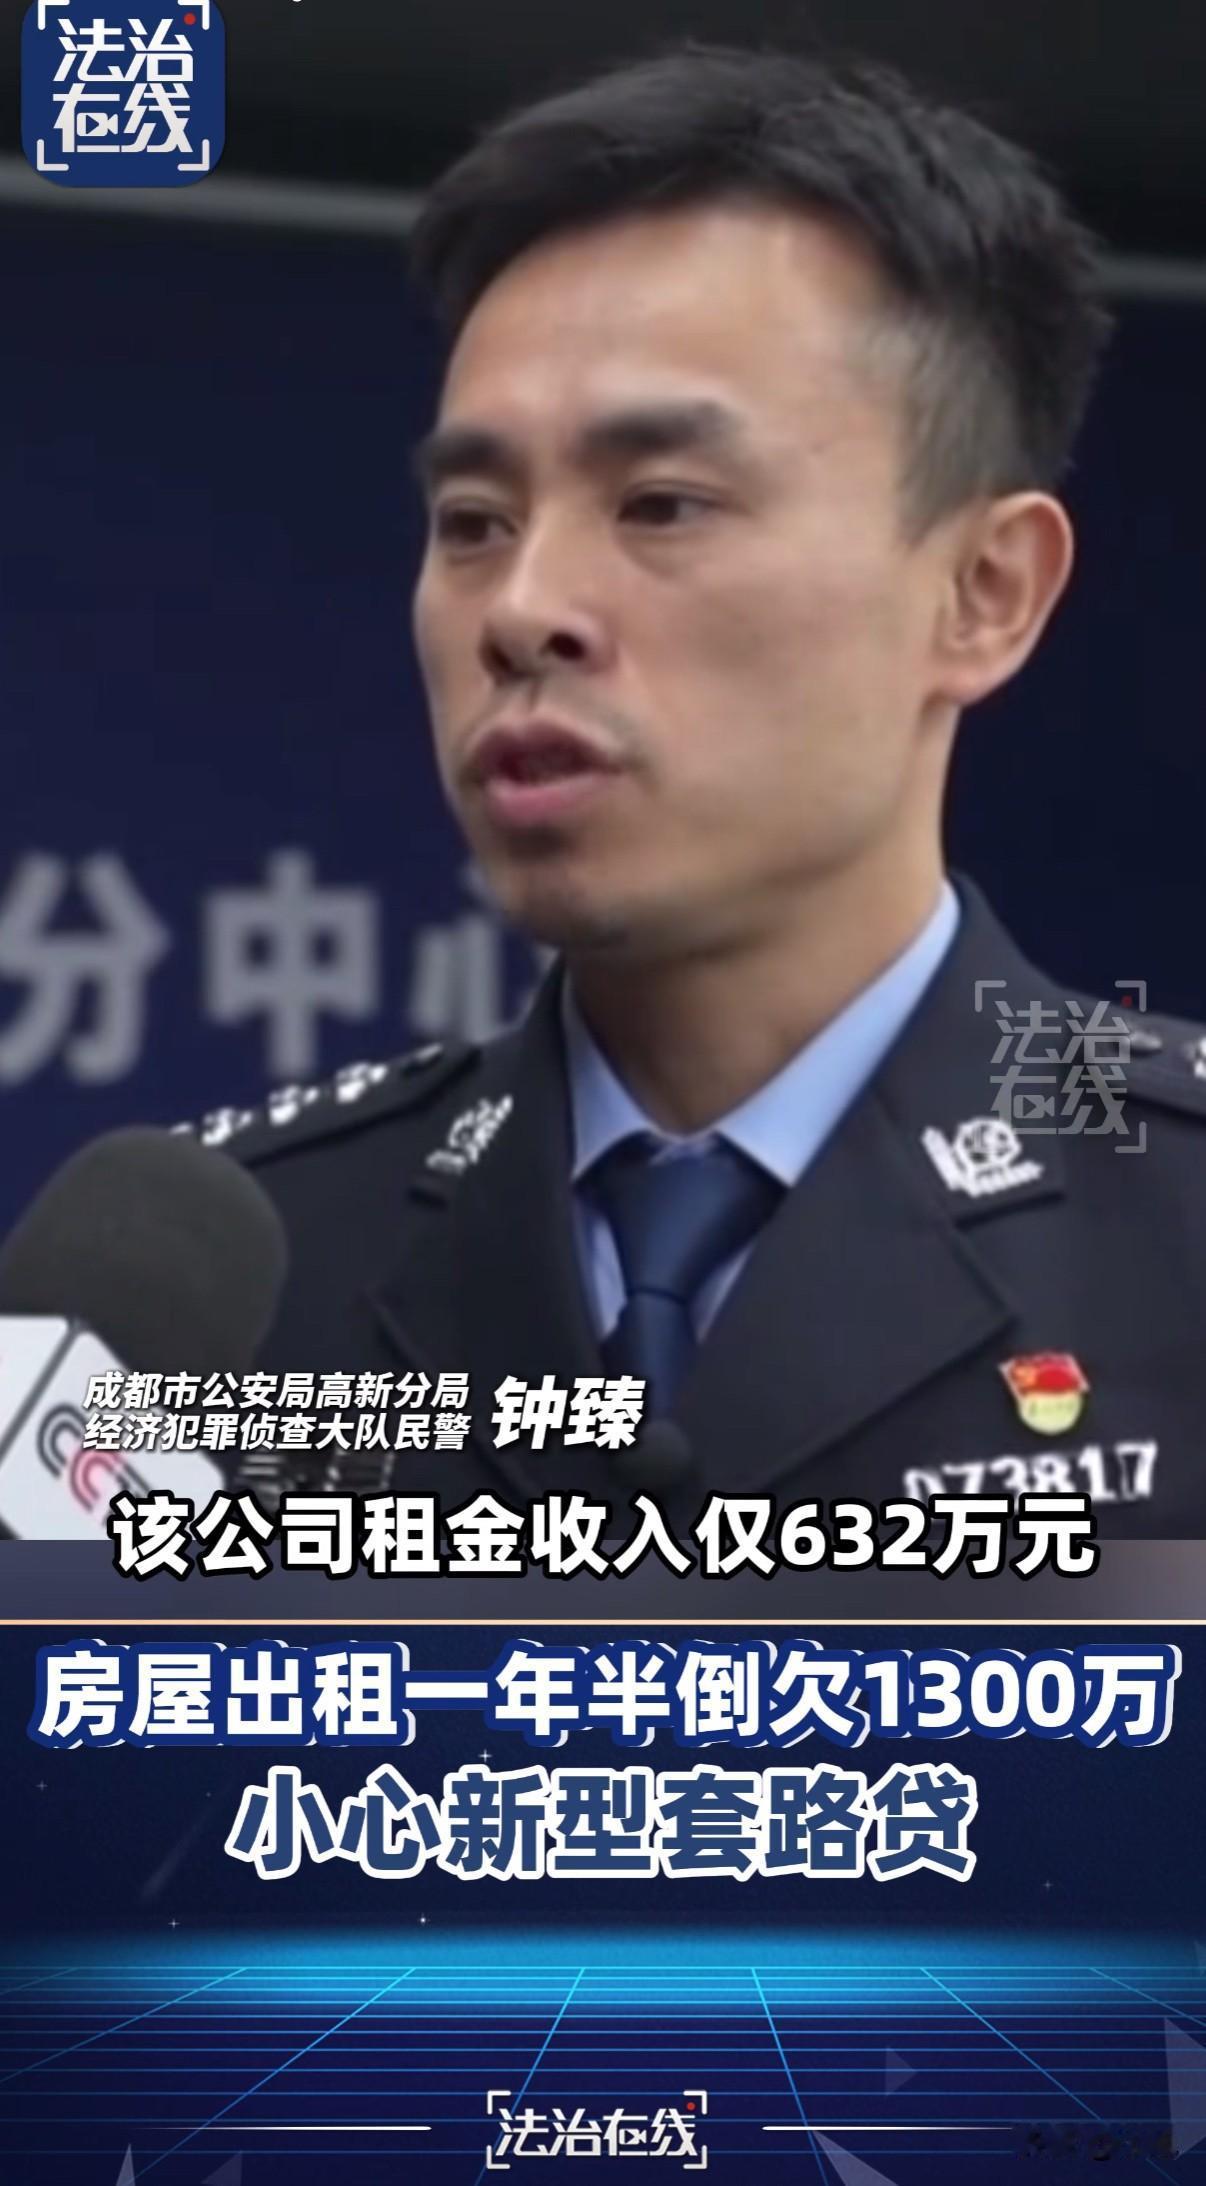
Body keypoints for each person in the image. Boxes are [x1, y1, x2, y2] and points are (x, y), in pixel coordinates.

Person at [191, 42, 1206, 1537]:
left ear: (984, 592)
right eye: (473, 520)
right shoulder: (223, 1277)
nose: (522, 610)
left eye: (660, 504)